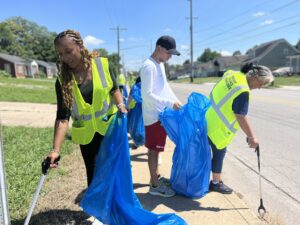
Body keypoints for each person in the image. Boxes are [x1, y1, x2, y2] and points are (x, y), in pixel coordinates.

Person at [47, 29, 126, 225]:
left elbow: (114, 88)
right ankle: (98, 213)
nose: (65, 57)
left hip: (108, 129)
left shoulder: (103, 65)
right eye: (61, 53)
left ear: (80, 47)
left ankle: (114, 206)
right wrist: (55, 150)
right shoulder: (63, 80)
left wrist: (121, 105)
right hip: (86, 135)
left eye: (69, 50)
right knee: (93, 172)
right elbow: (63, 117)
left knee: (111, 169)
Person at [206, 63, 274, 194]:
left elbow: (226, 76)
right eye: (261, 83)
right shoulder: (243, 91)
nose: (260, 87)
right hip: (217, 127)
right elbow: (240, 116)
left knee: (207, 152)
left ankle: (208, 179)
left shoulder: (234, 75)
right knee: (219, 152)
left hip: (208, 117)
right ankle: (215, 183)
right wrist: (252, 137)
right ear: (254, 77)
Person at [140, 35, 182, 197]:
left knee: (157, 151)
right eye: (168, 53)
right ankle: (155, 187)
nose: (170, 57)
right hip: (153, 116)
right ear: (159, 48)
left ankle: (155, 178)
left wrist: (176, 101)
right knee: (153, 151)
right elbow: (147, 95)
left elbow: (164, 87)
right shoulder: (148, 66)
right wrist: (169, 103)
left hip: (161, 114)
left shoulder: (160, 65)